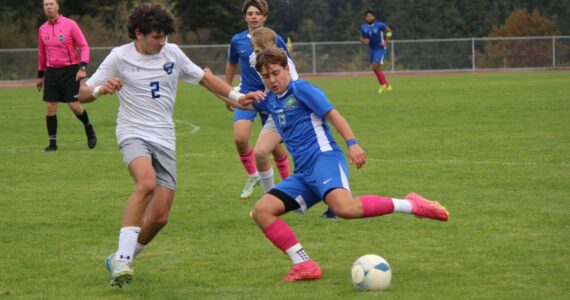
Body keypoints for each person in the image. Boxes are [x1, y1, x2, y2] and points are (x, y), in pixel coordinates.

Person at [77, 3, 264, 288]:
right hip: (133, 132)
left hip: (164, 136)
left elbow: (206, 79)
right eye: (156, 36)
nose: (162, 41)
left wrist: (238, 98)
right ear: (138, 33)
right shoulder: (119, 57)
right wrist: (103, 89)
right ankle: (123, 262)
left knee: (160, 217)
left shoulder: (172, 53)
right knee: (146, 184)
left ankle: (118, 256)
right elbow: (83, 93)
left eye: (165, 36)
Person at [242, 48, 448, 282]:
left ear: (287, 69)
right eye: (266, 77)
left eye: (276, 73)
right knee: (262, 211)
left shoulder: (302, 89)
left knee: (344, 209)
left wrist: (352, 143)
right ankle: (303, 263)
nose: (272, 80)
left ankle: (412, 204)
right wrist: (230, 94)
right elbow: (237, 102)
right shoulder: (270, 100)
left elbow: (333, 115)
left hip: (324, 159)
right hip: (303, 174)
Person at [249, 27, 336, 219]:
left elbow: (293, 90)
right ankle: (272, 200)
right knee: (264, 153)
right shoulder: (254, 61)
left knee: (309, 157)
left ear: (271, 47)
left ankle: (333, 199)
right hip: (275, 107)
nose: (255, 54)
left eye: (258, 50)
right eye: (254, 50)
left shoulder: (284, 63)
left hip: (290, 108)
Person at [226, 0, 291, 199]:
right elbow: (231, 66)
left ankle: (288, 184)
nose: (254, 16)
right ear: (245, 17)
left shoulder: (274, 38)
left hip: (270, 97)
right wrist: (228, 92)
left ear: (264, 17)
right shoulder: (237, 40)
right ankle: (253, 176)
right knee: (240, 138)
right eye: (250, 13)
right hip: (247, 95)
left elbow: (286, 66)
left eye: (258, 13)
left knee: (276, 149)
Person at [36, 0, 96, 152]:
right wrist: (40, 75)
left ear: (57, 6)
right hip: (51, 71)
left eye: (51, 4)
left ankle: (88, 126)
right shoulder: (43, 29)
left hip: (70, 71)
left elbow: (84, 46)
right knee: (50, 106)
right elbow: (42, 53)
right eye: (45, 5)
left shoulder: (70, 25)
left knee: (74, 105)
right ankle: (52, 145)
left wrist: (82, 67)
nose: (48, 7)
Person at [359, 9, 393, 94]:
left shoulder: (380, 25)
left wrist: (385, 42)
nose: (369, 17)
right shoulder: (363, 27)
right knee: (376, 69)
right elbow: (362, 38)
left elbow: (389, 31)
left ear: (374, 17)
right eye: (367, 16)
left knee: (374, 66)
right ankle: (388, 86)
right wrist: (363, 41)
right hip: (372, 49)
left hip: (380, 48)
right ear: (365, 18)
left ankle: (382, 85)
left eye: (371, 16)